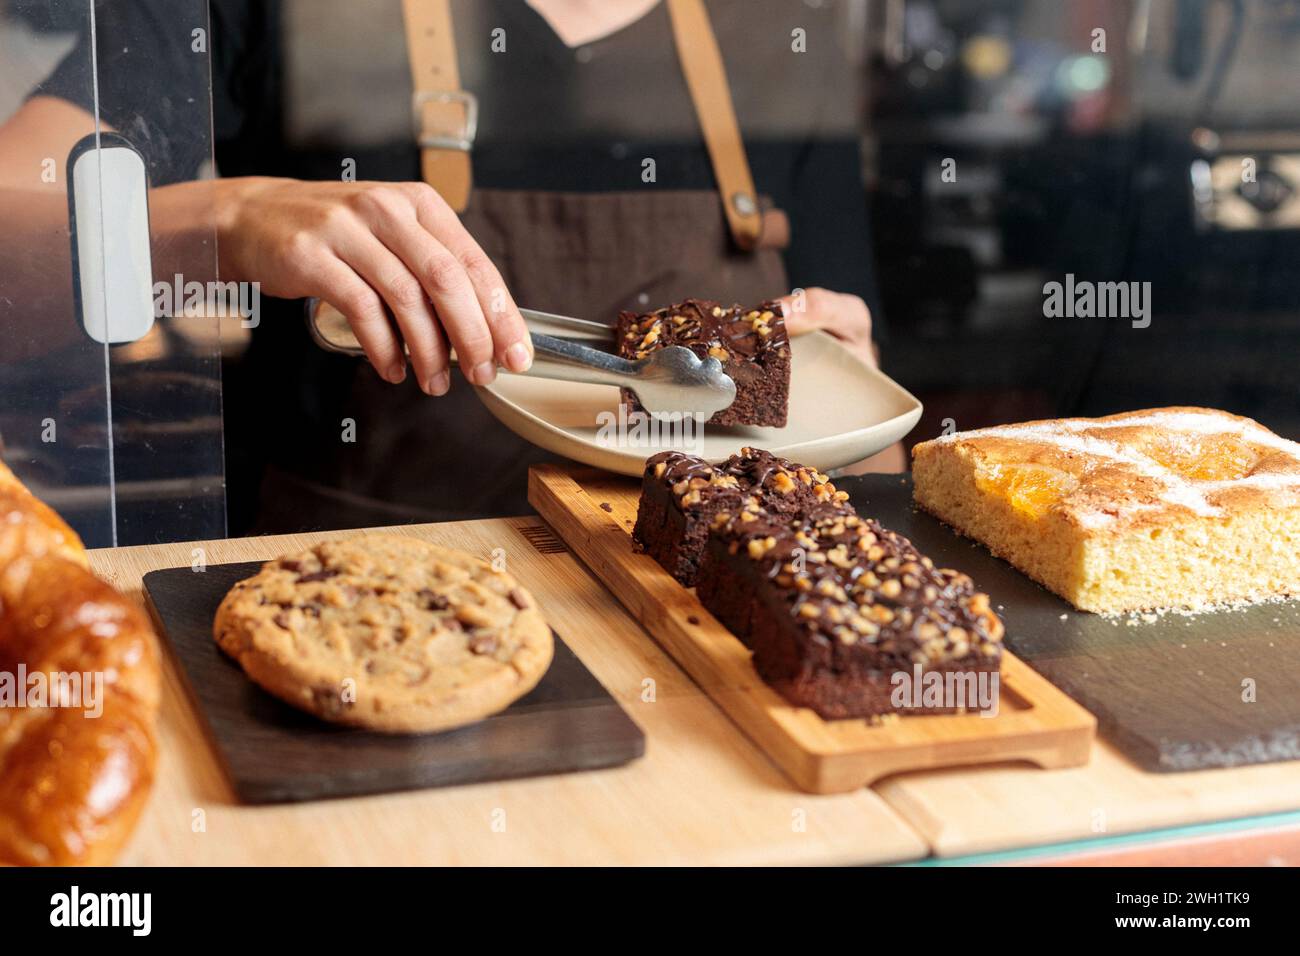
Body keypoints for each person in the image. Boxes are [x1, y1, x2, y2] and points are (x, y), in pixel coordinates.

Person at [0, 0, 899, 533]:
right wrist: (222, 216)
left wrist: (849, 413)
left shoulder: (786, 32)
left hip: (701, 643)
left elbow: (883, 451)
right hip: (359, 613)